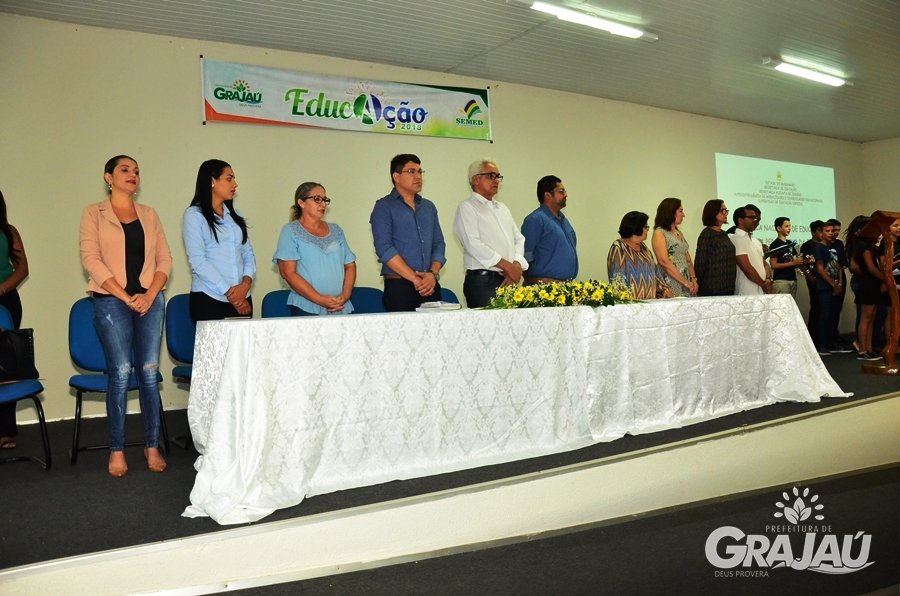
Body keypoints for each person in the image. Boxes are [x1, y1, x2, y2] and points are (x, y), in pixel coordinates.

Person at [79, 155, 172, 477]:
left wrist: (148, 295)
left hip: (150, 301)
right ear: (108, 177)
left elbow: (164, 261)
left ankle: (151, 445)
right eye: (125, 169)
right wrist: (125, 296)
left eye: (136, 170)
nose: (132, 174)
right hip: (111, 301)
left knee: (148, 372)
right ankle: (116, 450)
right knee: (119, 372)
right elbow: (91, 260)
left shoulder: (149, 214)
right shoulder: (94, 212)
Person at [369, 154, 445, 311]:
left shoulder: (428, 207)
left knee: (434, 334)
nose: (418, 176)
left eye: (420, 171)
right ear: (396, 176)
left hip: (430, 284)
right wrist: (415, 279)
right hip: (399, 287)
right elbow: (384, 248)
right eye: (411, 171)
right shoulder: (383, 207)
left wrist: (433, 274)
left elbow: (438, 244)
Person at [183, 159, 256, 322]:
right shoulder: (194, 215)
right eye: (229, 179)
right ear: (212, 181)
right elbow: (198, 261)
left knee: (243, 348)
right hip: (209, 298)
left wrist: (245, 284)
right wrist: (230, 293)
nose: (235, 184)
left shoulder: (235, 215)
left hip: (243, 297)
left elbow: (248, 254)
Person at [454, 159, 528, 308]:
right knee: (488, 330)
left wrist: (517, 265)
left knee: (510, 329)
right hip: (483, 282)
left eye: (498, 177)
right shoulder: (467, 207)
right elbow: (473, 244)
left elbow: (519, 239)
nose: (496, 181)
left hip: (508, 279)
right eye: (490, 176)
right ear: (476, 179)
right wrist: (508, 267)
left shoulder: (502, 208)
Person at [274, 182, 356, 315]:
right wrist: (319, 299)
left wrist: (345, 296)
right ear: (301, 202)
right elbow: (288, 273)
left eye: (325, 200)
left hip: (340, 307)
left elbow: (350, 265)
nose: (323, 204)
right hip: (306, 308)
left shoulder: (336, 230)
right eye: (317, 199)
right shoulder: (290, 231)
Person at [0, 190, 29, 450]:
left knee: (6, 366)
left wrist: (1, 289)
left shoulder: (9, 231)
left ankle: (6, 430)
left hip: (6, 300)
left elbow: (22, 268)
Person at [521, 175, 577, 284]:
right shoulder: (536, 219)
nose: (566, 195)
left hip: (565, 286)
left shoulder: (564, 220)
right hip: (544, 288)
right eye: (561, 191)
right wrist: (534, 282)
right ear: (547, 195)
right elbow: (526, 254)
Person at [607, 211, 672, 299]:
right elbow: (617, 280)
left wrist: (665, 290)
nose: (647, 230)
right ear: (636, 227)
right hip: (631, 306)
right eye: (646, 227)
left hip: (651, 304)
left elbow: (655, 273)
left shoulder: (644, 248)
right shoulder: (619, 247)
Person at [813, 221, 851, 355]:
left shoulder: (837, 246)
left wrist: (840, 284)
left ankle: (832, 342)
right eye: (827, 231)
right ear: (821, 233)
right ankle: (822, 344)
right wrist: (833, 285)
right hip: (825, 287)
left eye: (832, 231)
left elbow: (840, 266)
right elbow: (820, 269)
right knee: (825, 314)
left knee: (834, 314)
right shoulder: (819, 248)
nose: (830, 233)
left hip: (837, 285)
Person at [651, 197, 697, 297]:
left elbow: (687, 258)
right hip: (671, 281)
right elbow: (664, 261)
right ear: (670, 212)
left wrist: (693, 279)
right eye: (680, 211)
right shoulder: (659, 233)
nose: (684, 215)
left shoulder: (678, 232)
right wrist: (686, 282)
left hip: (686, 281)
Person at [694, 199, 735, 296]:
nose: (726, 214)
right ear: (713, 212)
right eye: (722, 211)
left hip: (728, 287)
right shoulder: (706, 234)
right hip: (712, 289)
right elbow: (700, 263)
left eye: (726, 211)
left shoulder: (724, 234)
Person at [729, 205, 772, 296]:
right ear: (740, 220)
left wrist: (768, 278)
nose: (756, 221)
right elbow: (746, 268)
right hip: (747, 291)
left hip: (762, 290)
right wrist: (763, 284)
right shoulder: (736, 239)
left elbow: (764, 263)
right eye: (752, 218)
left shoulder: (756, 241)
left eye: (756, 218)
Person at [800, 220, 824, 344]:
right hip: (814, 279)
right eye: (821, 231)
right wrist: (810, 278)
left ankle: (824, 337)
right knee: (816, 308)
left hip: (825, 280)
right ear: (814, 232)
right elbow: (802, 263)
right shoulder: (807, 245)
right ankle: (813, 338)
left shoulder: (825, 245)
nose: (823, 234)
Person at [768, 217, 805, 297]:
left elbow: (795, 262)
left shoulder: (790, 243)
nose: (789, 229)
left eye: (790, 226)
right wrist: (793, 263)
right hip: (781, 281)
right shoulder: (775, 244)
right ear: (778, 228)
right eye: (786, 226)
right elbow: (773, 265)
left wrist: (806, 261)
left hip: (793, 279)